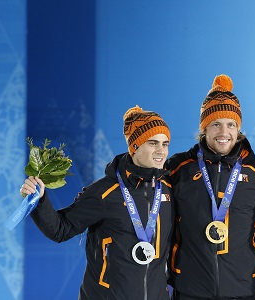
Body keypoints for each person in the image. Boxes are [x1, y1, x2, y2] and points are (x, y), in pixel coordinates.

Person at [19, 106, 174, 299]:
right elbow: (60, 229)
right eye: (153, 143)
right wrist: (40, 200)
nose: (161, 151)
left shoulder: (169, 190)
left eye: (165, 144)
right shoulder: (104, 193)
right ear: (134, 147)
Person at [166, 74, 255, 299]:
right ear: (204, 128)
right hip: (190, 287)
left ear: (238, 129)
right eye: (216, 124)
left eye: (231, 125)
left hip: (242, 288)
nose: (224, 133)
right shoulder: (178, 168)